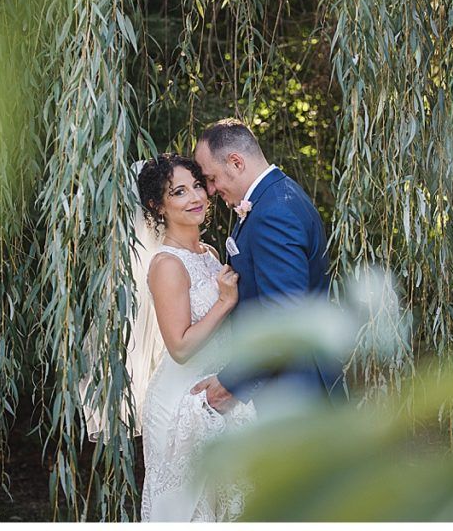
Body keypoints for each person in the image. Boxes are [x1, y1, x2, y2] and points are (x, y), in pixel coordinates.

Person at [191, 119, 343, 415]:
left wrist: (228, 385)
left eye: (211, 178)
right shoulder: (273, 198)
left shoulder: (274, 212)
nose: (210, 190)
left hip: (294, 394)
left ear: (235, 162)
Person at [134, 153, 256, 522]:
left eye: (198, 186)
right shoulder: (166, 265)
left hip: (214, 393)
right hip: (180, 403)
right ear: (158, 206)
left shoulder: (210, 253)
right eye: (179, 192)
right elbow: (181, 347)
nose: (195, 198)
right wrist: (223, 302)